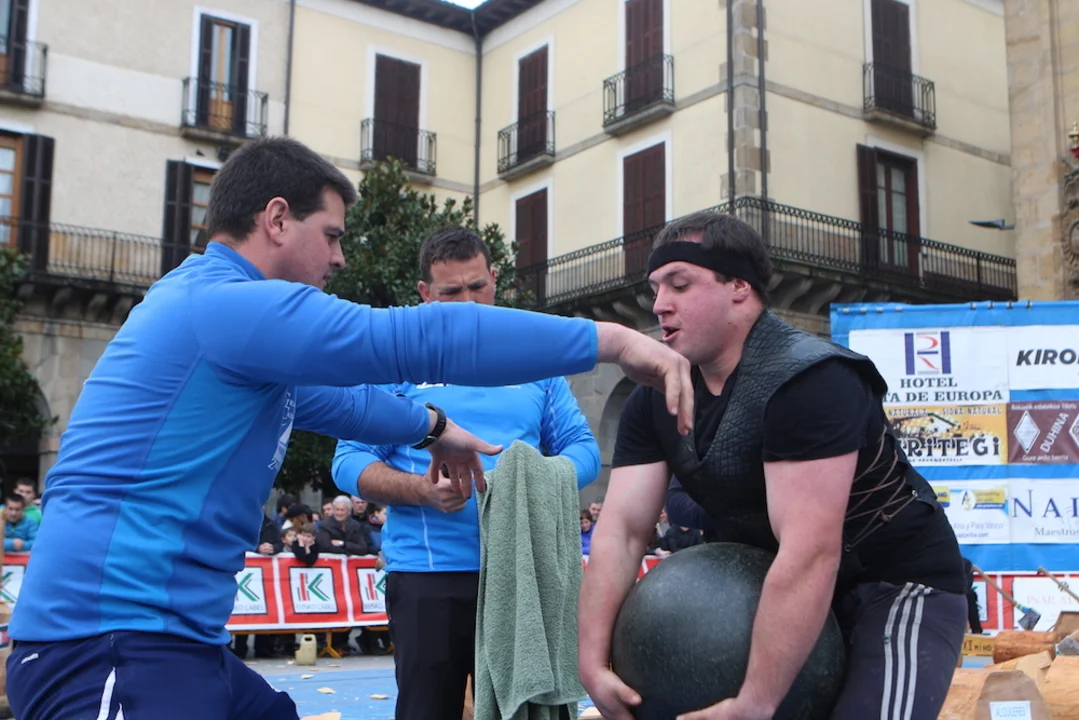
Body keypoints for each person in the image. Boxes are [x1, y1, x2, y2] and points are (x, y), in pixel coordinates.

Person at [5, 136, 694, 720]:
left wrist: (433, 427)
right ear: (278, 219)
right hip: (107, 646)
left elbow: (347, 406)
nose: (339, 258)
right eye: (331, 236)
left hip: (174, 644)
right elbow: (420, 339)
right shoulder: (229, 307)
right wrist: (611, 342)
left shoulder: (222, 320)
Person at [578, 210, 968, 720]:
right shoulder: (653, 399)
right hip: (761, 589)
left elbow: (810, 552)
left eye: (680, 284)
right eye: (656, 289)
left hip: (894, 587)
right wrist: (592, 662)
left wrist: (757, 702)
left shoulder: (811, 380)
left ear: (740, 286)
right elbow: (624, 532)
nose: (660, 305)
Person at [332, 226, 600, 720]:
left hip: (523, 570)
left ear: (495, 278)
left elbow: (584, 450)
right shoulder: (395, 361)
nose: (469, 304)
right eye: (451, 292)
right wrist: (420, 490)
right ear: (424, 293)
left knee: (531, 711)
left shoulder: (535, 359)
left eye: (478, 286)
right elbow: (348, 462)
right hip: (428, 574)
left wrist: (530, 479)